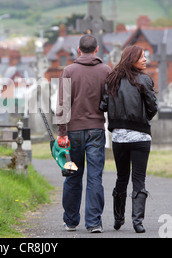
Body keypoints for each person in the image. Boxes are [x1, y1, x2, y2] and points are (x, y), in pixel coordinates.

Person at [99, 45, 158, 233]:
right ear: (131, 59)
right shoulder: (145, 81)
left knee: (121, 177)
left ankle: (118, 219)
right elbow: (152, 107)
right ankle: (137, 222)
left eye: (145, 57)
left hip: (119, 138)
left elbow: (103, 105)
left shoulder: (112, 80)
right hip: (140, 136)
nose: (145, 60)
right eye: (141, 57)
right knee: (139, 179)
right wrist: (144, 118)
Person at [56, 34, 111, 233]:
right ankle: (94, 222)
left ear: (79, 50)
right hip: (96, 129)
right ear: (96, 50)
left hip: (73, 131)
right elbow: (110, 102)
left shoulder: (69, 71)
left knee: (72, 175)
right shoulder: (106, 70)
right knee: (95, 176)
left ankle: (71, 220)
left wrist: (62, 133)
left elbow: (63, 104)